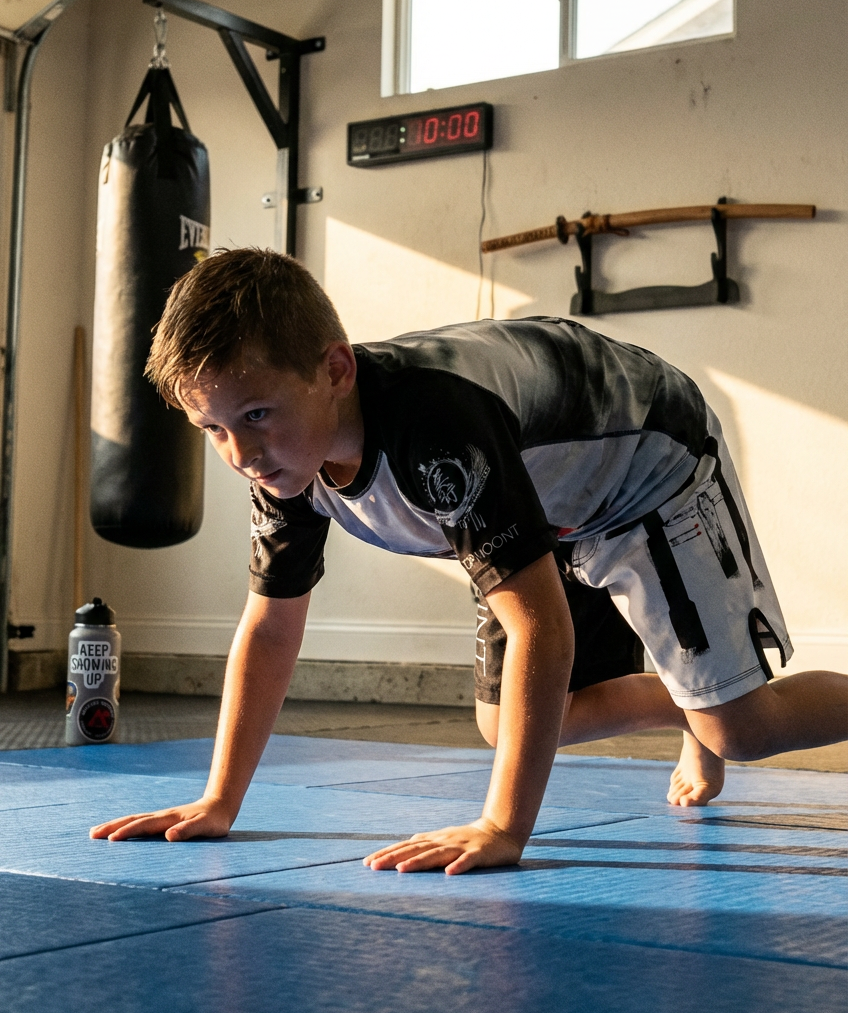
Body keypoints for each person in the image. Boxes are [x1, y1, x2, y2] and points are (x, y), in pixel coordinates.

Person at [91, 249, 847, 873]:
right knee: (503, 722)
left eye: (256, 415)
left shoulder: (434, 431)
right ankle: (691, 701)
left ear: (336, 370)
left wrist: (502, 827)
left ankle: (713, 710)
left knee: (742, 733)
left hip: (645, 456)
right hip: (542, 491)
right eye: (212, 428)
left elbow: (542, 629)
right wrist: (219, 800)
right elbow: (270, 630)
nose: (241, 453)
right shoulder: (287, 461)